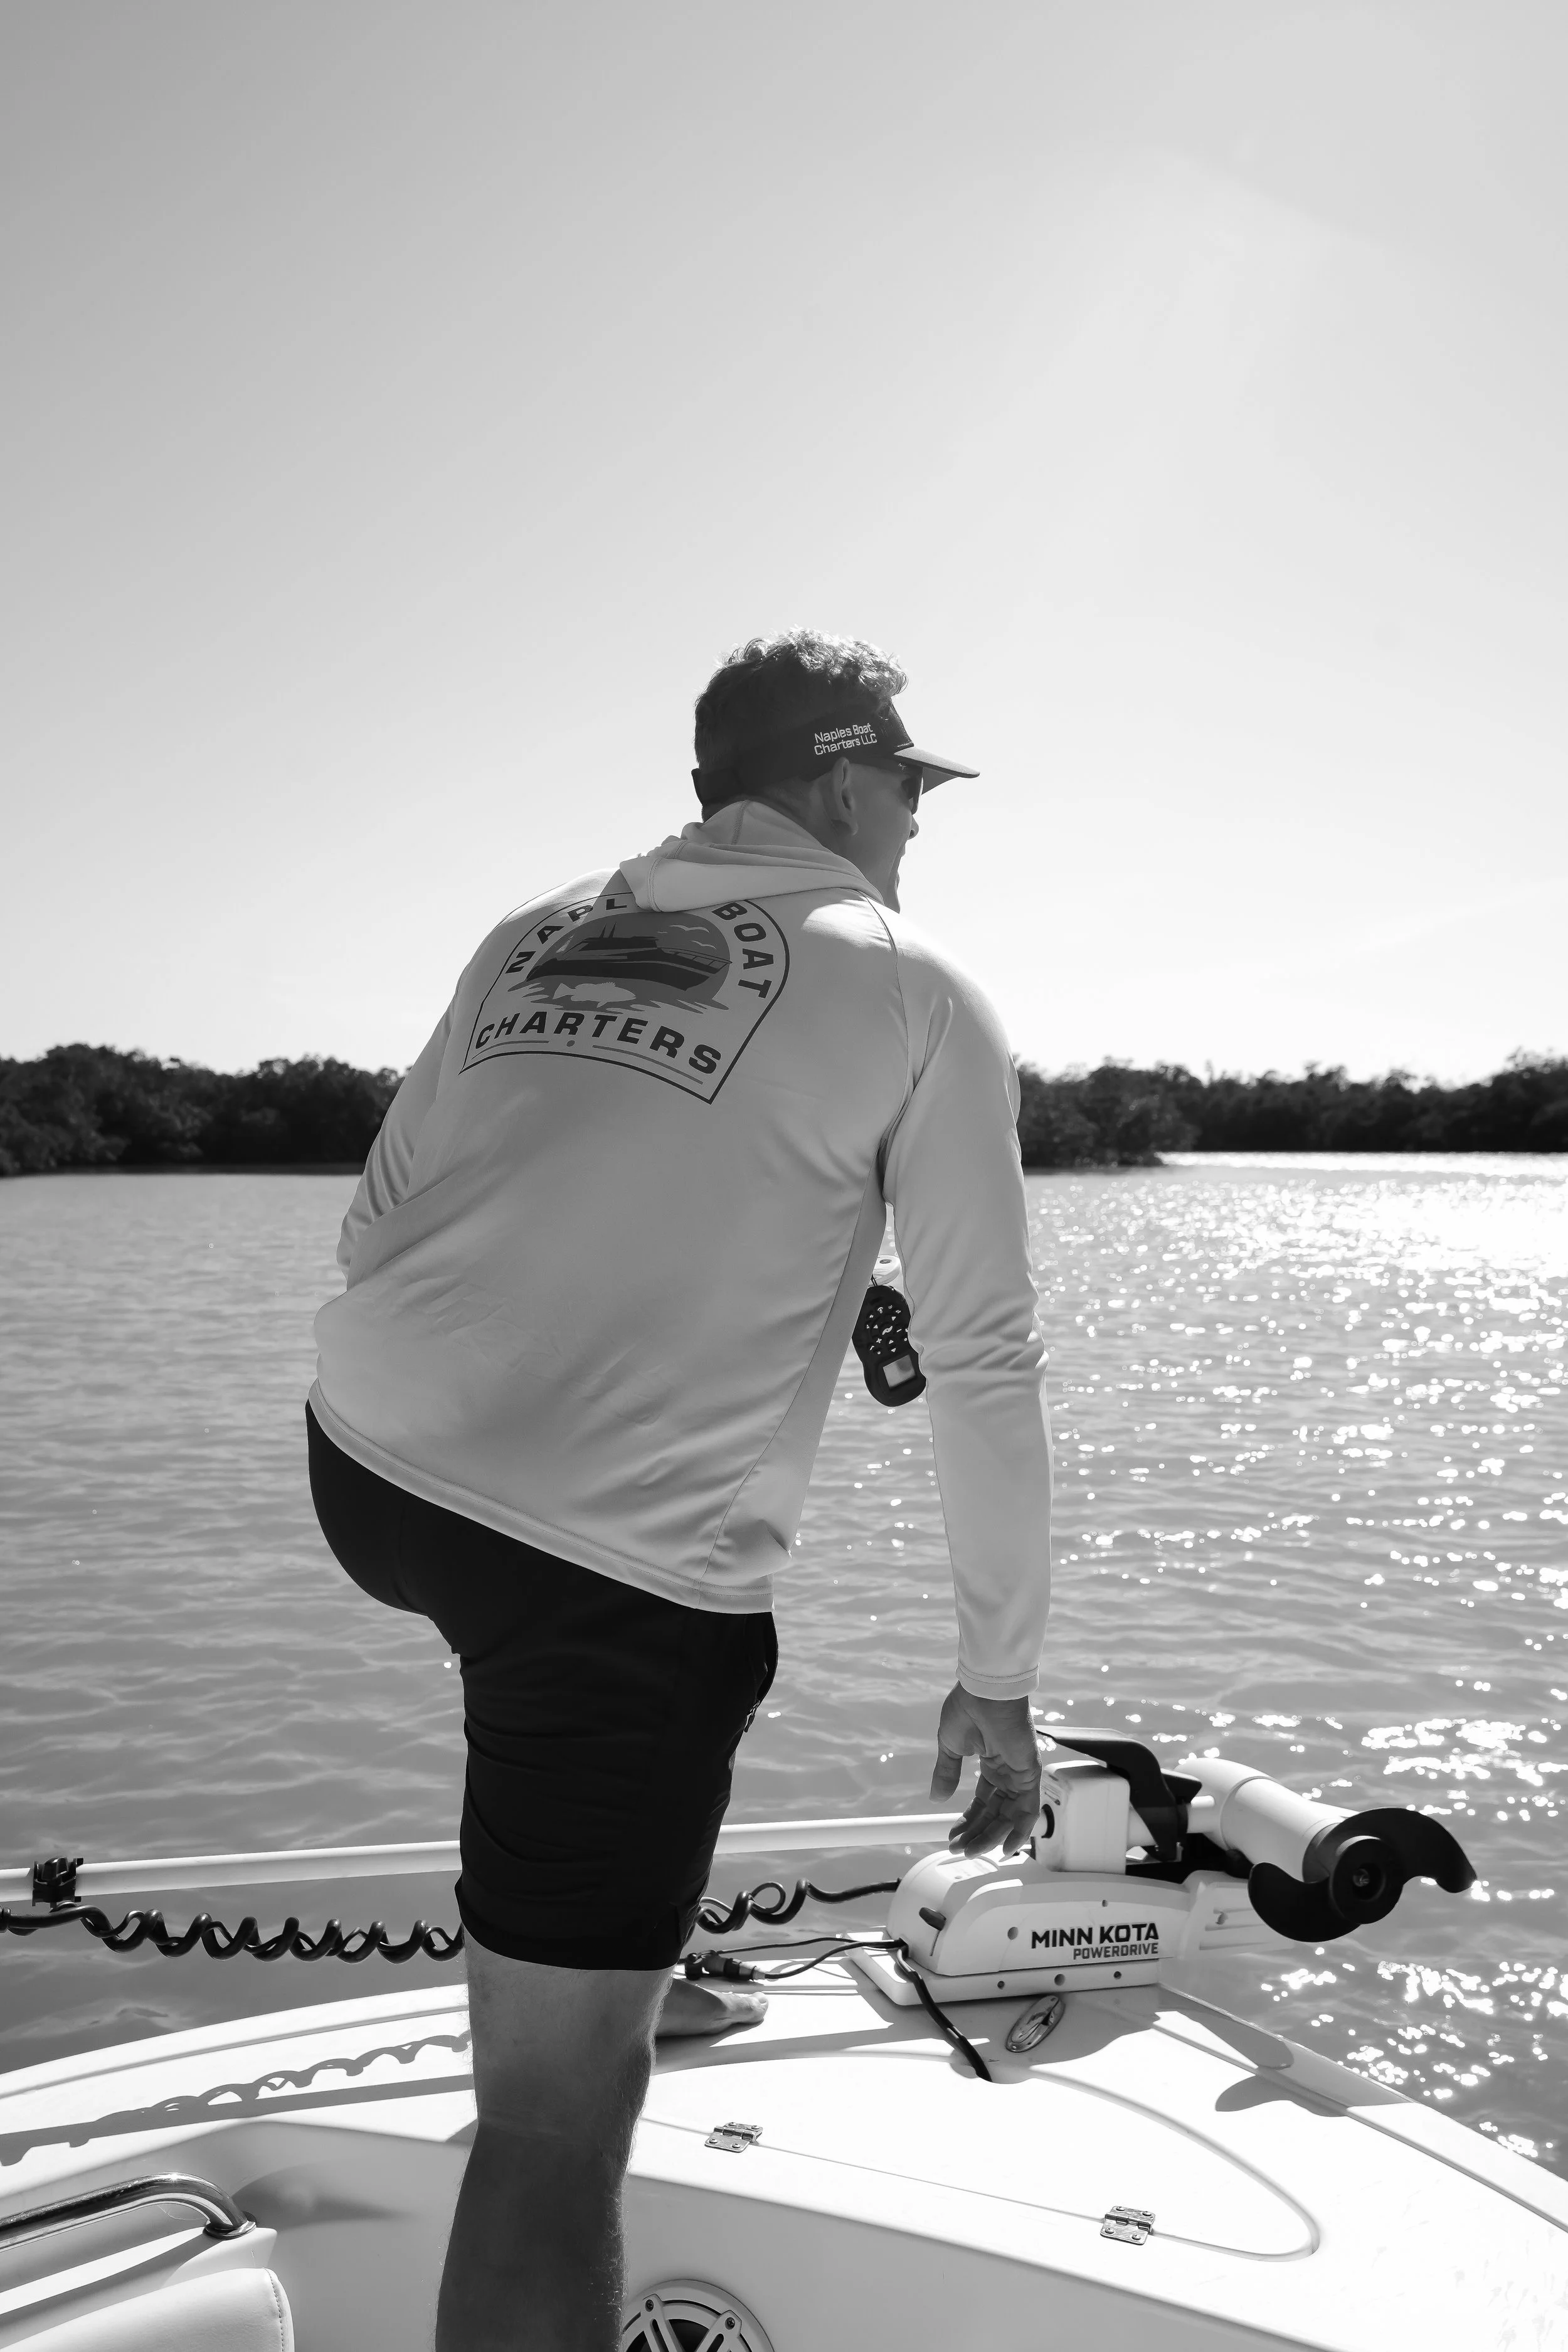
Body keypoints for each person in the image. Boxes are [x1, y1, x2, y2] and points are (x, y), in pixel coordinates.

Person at [306, 629, 1052, 2352]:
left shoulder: (528, 933)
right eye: (908, 792)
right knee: (554, 2127)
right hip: (593, 1585)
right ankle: (580, 1982)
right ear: (841, 776)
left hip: (361, 1465)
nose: (919, 827)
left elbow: (374, 1223)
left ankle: (599, 1925)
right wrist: (995, 1673)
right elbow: (986, 1359)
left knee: (540, 1667)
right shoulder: (911, 986)